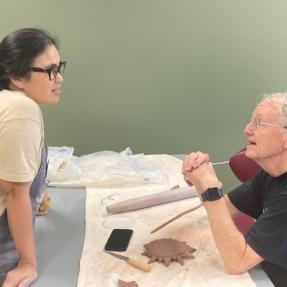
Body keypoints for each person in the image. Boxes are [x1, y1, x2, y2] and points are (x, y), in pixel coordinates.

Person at [182, 92, 287, 287]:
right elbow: (225, 209)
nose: (247, 130)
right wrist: (201, 180)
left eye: (259, 123)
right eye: (251, 121)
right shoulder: (271, 173)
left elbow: (236, 263)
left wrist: (210, 187)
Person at [0, 28, 66, 287]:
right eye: (50, 70)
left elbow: (15, 167)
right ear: (16, 76)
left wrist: (40, 196)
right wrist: (27, 263)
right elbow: (16, 192)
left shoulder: (7, 102)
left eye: (60, 67)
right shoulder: (21, 109)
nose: (59, 78)